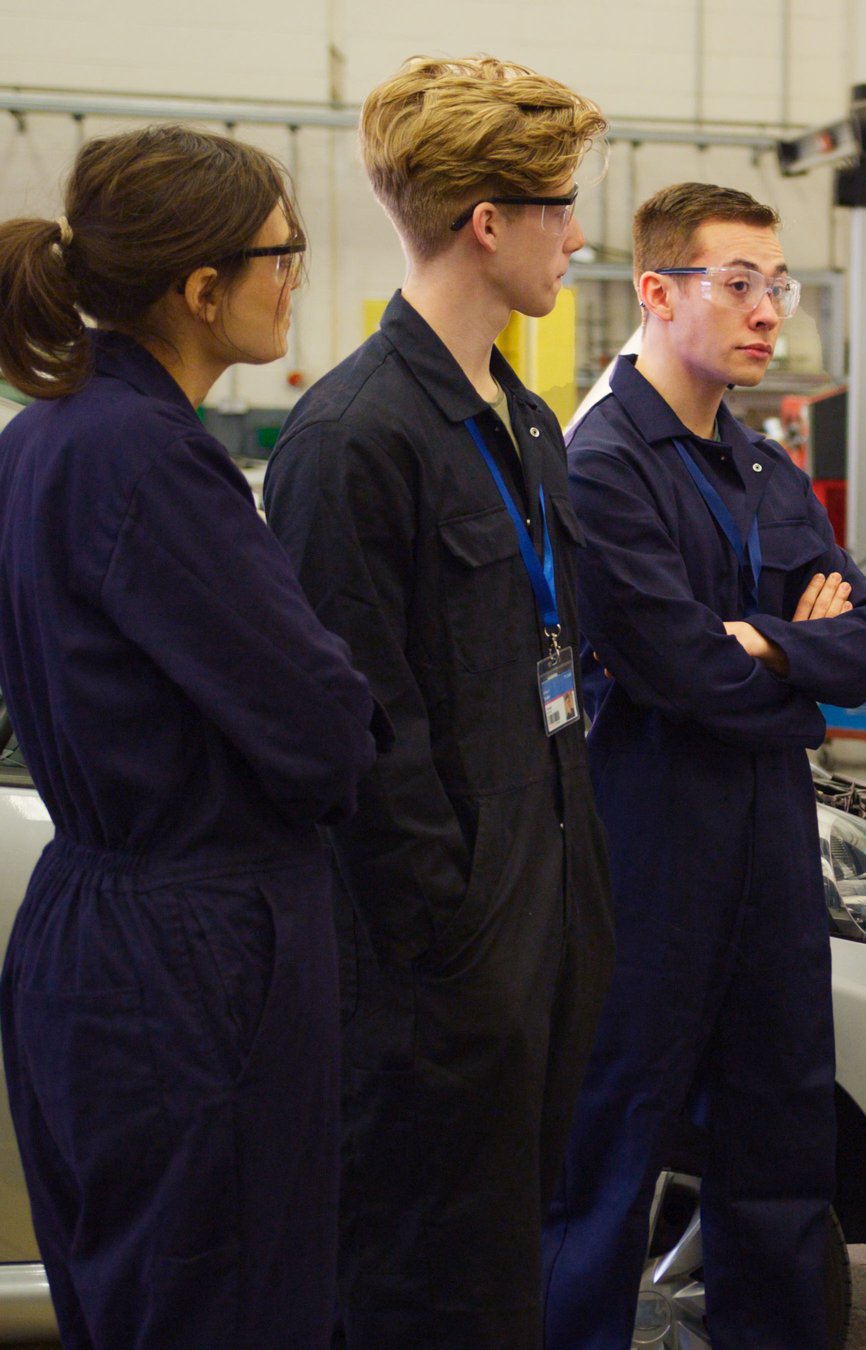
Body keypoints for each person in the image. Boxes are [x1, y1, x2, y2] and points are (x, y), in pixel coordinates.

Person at [0, 126, 382, 1347]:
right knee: (226, 1302)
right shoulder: (152, 461)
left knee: (131, 1300)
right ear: (200, 288)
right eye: (285, 254)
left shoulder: (41, 438)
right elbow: (325, 725)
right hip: (195, 953)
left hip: (94, 927)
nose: (295, 279)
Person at [260, 57, 613, 1347]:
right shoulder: (353, 439)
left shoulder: (522, 421)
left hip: (542, 944)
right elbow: (358, 740)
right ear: (489, 222)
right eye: (562, 206)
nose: (578, 236)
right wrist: (459, 939)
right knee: (419, 1299)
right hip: (438, 991)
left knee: (500, 1291)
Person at [542, 183, 866, 1349]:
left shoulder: (759, 464)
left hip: (767, 850)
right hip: (649, 843)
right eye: (737, 283)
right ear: (656, 292)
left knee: (783, 1145)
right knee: (610, 1149)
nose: (768, 313)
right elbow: (679, 672)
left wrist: (772, 643)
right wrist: (789, 658)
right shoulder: (604, 465)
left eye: (777, 286)